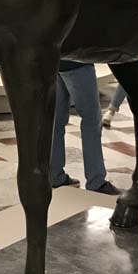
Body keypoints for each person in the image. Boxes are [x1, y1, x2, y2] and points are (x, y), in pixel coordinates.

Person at [50, 60, 118, 194]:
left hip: (53, 63)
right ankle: (96, 181)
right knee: (91, 120)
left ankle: (55, 176)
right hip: (77, 63)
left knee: (56, 121)